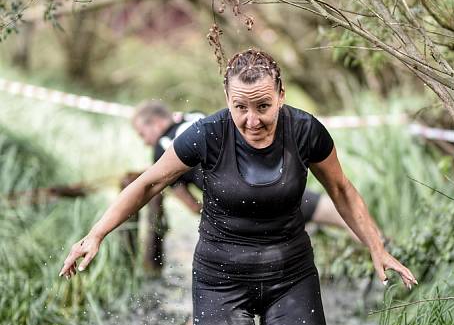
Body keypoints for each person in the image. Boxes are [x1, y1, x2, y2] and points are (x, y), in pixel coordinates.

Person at [60, 49, 416, 325]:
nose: (252, 120)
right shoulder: (206, 135)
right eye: (240, 107)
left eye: (263, 106)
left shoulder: (305, 131)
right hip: (221, 281)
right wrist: (95, 234)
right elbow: (148, 183)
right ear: (227, 99)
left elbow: (342, 189)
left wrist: (376, 247)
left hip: (289, 275)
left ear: (281, 94)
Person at [131, 100, 365, 238]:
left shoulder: (161, 151)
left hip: (243, 211)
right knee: (349, 221)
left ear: (156, 122)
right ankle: (391, 254)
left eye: (142, 134)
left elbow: (192, 207)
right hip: (276, 181)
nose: (143, 141)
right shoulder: (198, 118)